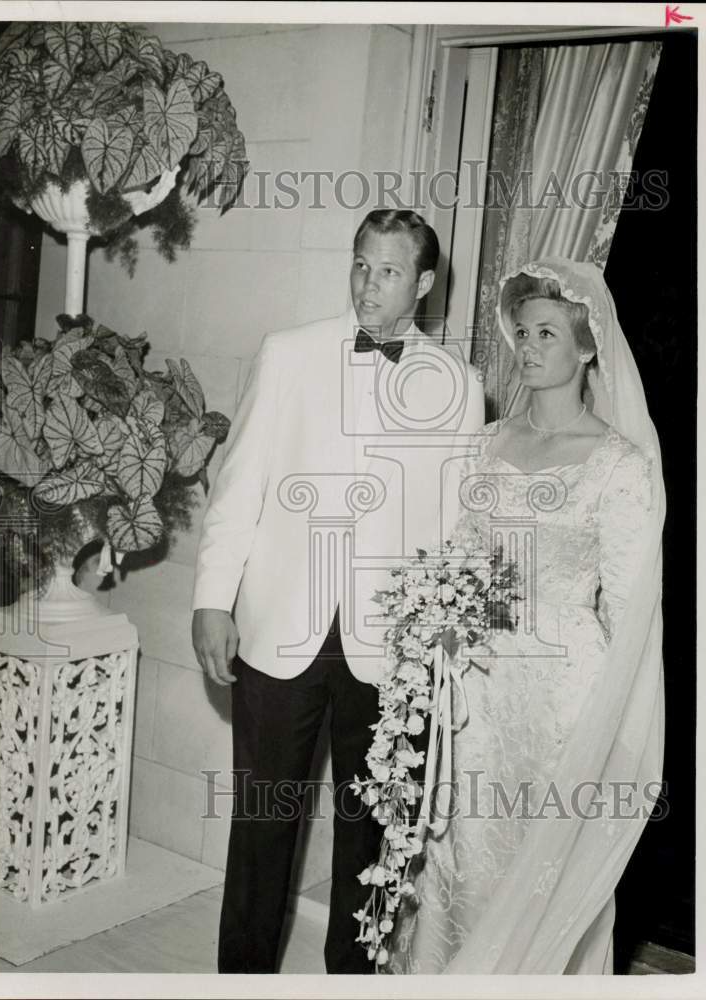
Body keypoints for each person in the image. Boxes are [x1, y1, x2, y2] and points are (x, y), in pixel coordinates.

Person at [191, 209, 485, 974]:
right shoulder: (287, 354)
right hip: (277, 629)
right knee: (262, 826)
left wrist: (436, 646)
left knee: (371, 834)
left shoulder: (458, 385)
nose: (367, 283)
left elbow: (455, 524)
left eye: (388, 271)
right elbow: (238, 485)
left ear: (422, 284)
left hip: (390, 652)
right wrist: (212, 599)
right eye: (360, 264)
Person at [386, 257, 666, 974]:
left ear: (586, 346)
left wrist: (617, 727)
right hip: (478, 683)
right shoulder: (486, 444)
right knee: (466, 848)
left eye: (547, 332)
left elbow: (632, 609)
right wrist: (437, 614)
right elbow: (462, 550)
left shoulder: (619, 465)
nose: (530, 345)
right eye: (522, 332)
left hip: (567, 689)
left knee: (544, 853)